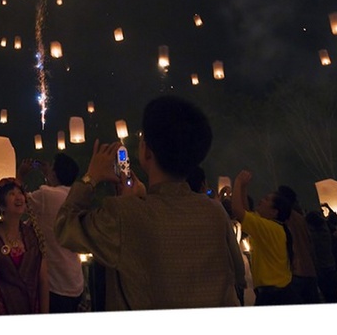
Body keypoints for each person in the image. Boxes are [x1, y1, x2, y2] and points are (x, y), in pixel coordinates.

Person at [56, 95, 242, 311]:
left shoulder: (124, 214)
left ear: (146, 151)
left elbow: (64, 226)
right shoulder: (214, 212)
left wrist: (91, 177)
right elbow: (237, 275)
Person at [17, 153, 85, 313]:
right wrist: (49, 175)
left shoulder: (46, 195)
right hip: (75, 280)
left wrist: (20, 175)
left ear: (55, 172)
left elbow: (18, 202)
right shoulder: (76, 197)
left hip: (55, 283)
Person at [0, 177, 48, 314]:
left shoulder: (32, 235)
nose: (18, 197)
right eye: (11, 194)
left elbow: (42, 279)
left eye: (20, 193)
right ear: (0, 205)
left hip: (31, 309)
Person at [231, 172, 296, 306]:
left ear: (274, 212)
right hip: (279, 293)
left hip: (275, 297)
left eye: (266, 199)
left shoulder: (270, 228)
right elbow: (246, 212)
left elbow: (238, 210)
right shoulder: (274, 227)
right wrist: (243, 188)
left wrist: (237, 182)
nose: (261, 200)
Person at [277, 184, 321, 303]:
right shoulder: (301, 218)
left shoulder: (282, 220)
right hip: (310, 270)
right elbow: (310, 245)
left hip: (295, 272)